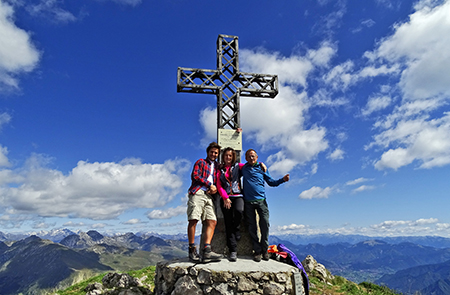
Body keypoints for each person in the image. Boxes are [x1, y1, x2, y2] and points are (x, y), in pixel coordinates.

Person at [216, 146, 267, 262]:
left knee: (239, 211)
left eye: (230, 155)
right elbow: (219, 185)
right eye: (226, 155)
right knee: (228, 223)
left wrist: (261, 164)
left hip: (238, 195)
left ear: (233, 157)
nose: (228, 157)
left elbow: (252, 164)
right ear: (223, 157)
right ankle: (233, 250)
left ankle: (237, 228)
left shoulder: (238, 167)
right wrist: (225, 198)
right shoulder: (220, 169)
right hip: (225, 198)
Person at [241, 148, 290, 262]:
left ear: (257, 157)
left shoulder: (262, 168)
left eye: (253, 156)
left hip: (261, 201)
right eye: (248, 156)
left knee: (265, 224)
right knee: (252, 227)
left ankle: (264, 250)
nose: (251, 158)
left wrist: (282, 180)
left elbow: (271, 182)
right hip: (248, 202)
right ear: (246, 158)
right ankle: (257, 251)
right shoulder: (243, 168)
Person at [186, 142, 223, 263]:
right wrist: (210, 185)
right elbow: (195, 175)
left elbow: (231, 167)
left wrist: (260, 165)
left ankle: (206, 250)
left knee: (212, 221)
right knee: (194, 219)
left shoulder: (218, 166)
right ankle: (192, 249)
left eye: (216, 153)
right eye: (212, 152)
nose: (214, 154)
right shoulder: (201, 162)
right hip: (198, 192)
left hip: (209, 196)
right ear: (208, 152)